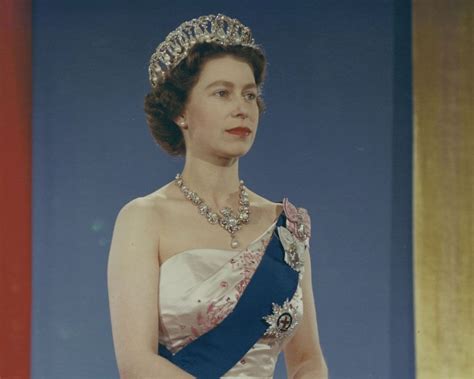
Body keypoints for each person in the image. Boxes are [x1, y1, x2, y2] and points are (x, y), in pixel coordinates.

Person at [107, 13, 328, 379]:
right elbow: (136, 363)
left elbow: (307, 360)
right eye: (222, 93)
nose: (242, 107)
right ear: (180, 112)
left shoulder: (285, 226)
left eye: (250, 94)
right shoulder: (144, 218)